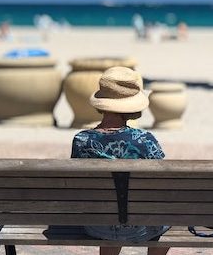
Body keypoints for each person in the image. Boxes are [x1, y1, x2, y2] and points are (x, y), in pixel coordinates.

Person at [71, 67, 169, 255]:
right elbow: (161, 183)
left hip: (97, 225)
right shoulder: (145, 140)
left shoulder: (81, 141)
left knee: (110, 210)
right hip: (143, 226)